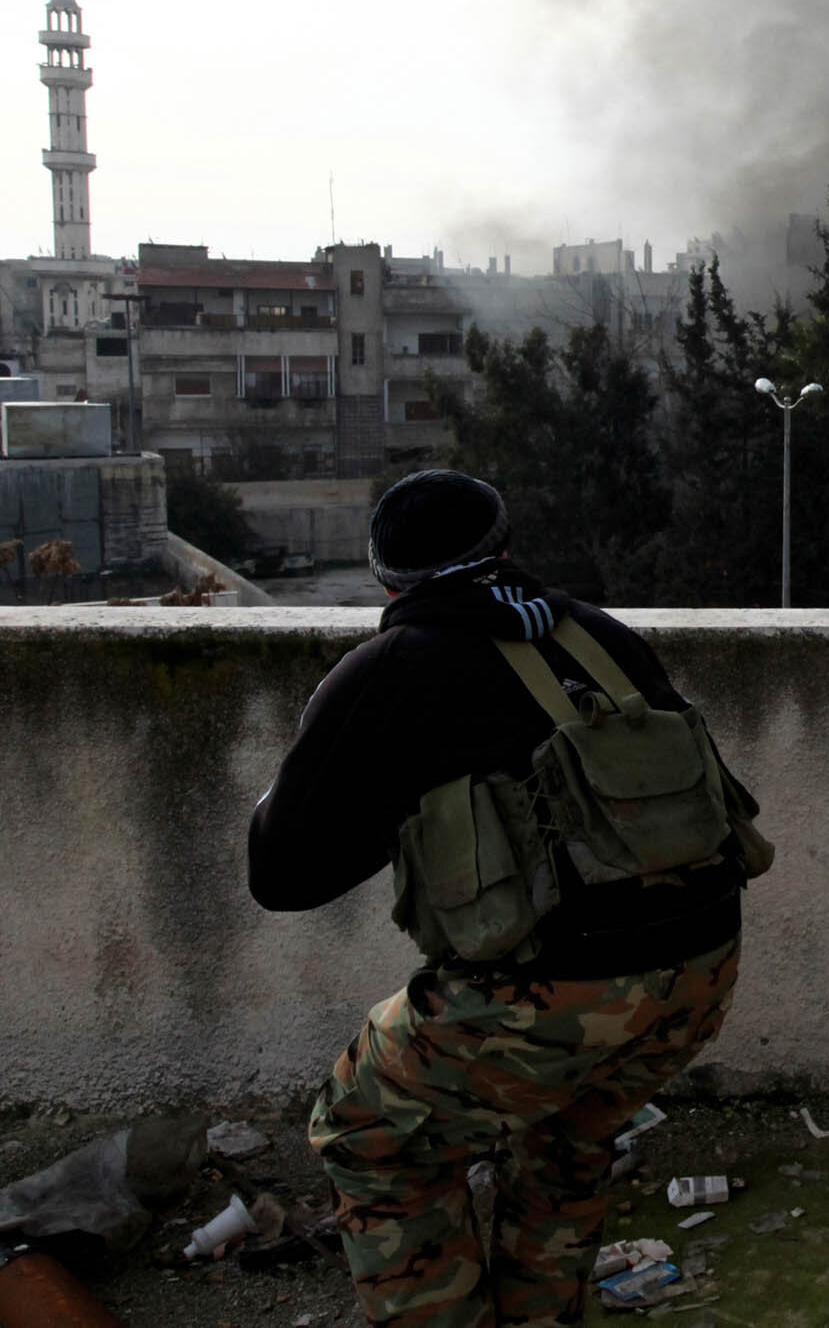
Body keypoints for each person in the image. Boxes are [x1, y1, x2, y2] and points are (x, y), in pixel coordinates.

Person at [250, 470, 764, 1328]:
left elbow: (282, 877)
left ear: (386, 580)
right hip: (701, 968)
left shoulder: (383, 669)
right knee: (565, 1137)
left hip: (557, 991)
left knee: (365, 1128)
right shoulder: (600, 633)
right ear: (506, 548)